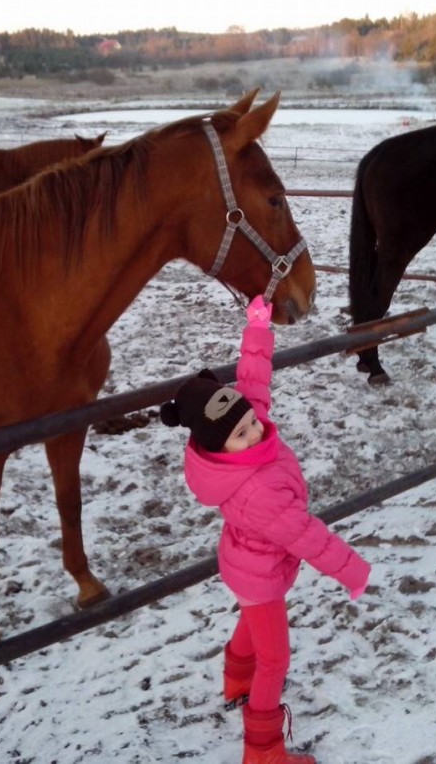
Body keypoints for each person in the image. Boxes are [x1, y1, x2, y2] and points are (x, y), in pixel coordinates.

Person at [160, 296, 371, 764]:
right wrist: (352, 571)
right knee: (275, 660)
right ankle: (263, 751)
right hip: (261, 570)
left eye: (252, 422)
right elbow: (306, 535)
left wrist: (258, 327)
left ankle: (236, 679)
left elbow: (254, 380)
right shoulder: (256, 491)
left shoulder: (239, 432)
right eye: (243, 434)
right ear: (220, 445)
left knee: (251, 623)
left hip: (247, 562)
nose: (256, 431)